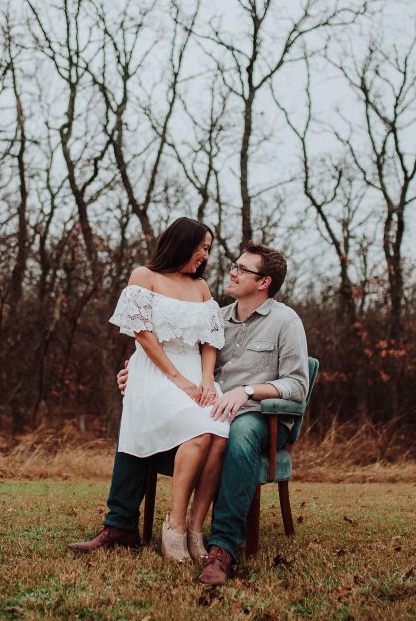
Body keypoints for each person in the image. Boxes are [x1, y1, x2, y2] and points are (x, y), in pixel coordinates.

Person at [69, 241, 309, 586]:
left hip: (260, 415)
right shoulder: (218, 317)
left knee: (234, 433)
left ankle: (222, 547)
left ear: (264, 282)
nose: (232, 271)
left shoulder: (286, 321)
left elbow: (297, 384)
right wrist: (133, 372)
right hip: (208, 406)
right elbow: (179, 353)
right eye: (234, 265)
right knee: (148, 413)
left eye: (243, 269)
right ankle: (121, 523)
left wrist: (248, 391)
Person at [84, 217, 230, 562]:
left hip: (197, 375)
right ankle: (168, 527)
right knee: (198, 429)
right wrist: (177, 379)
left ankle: (193, 528)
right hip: (156, 371)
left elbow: (210, 340)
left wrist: (207, 380)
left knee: (219, 431)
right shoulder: (144, 277)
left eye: (208, 250)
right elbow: (142, 334)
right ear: (183, 243)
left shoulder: (202, 288)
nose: (205, 256)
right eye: (202, 247)